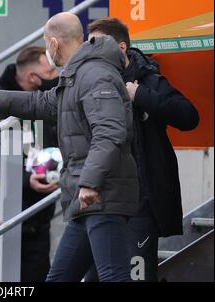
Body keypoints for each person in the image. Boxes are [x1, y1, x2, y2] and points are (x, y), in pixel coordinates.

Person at [0, 12, 140, 282]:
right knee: (59, 278)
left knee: (113, 277)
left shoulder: (94, 74)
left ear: (53, 43)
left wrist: (90, 183)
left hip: (101, 197)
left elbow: (109, 133)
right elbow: (42, 103)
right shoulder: (77, 75)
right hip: (86, 200)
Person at [84, 17, 199, 282]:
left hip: (139, 203)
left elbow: (189, 117)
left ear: (121, 48)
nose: (90, 53)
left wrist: (141, 97)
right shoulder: (91, 81)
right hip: (99, 202)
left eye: (96, 45)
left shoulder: (147, 79)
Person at [0, 46, 59, 281]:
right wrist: (25, 180)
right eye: (51, 72)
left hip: (37, 218)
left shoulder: (46, 105)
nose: (56, 78)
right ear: (32, 77)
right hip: (1, 220)